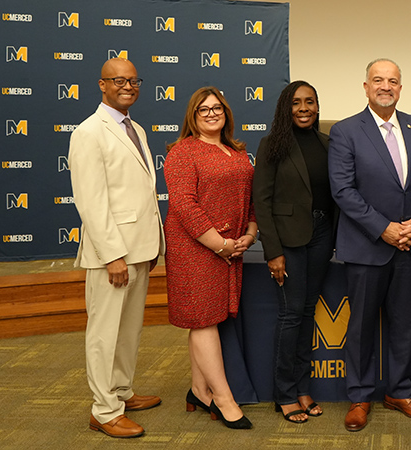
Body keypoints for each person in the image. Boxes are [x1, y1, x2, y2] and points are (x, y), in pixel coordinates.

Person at [328, 58, 411, 432]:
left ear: (401, 87)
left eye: (392, 81)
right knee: (360, 327)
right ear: (365, 87)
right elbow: (343, 191)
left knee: (405, 324)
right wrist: (384, 229)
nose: (385, 86)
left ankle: (400, 391)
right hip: (366, 247)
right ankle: (359, 396)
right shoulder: (345, 131)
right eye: (378, 80)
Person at [69, 57, 165, 438]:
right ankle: (104, 410)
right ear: (102, 84)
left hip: (139, 248)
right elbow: (90, 201)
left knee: (128, 330)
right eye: (118, 80)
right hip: (113, 254)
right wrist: (113, 255)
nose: (128, 86)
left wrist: (152, 241)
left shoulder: (135, 129)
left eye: (133, 80)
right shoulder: (89, 132)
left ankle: (121, 392)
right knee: (104, 332)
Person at [164, 86, 257, 430]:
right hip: (194, 247)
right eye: (203, 109)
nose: (212, 113)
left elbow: (250, 199)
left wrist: (250, 232)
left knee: (211, 318)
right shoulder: (182, 152)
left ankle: (198, 390)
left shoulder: (237, 152)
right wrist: (219, 244)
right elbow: (184, 206)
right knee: (202, 319)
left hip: (230, 246)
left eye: (217, 107)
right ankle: (223, 398)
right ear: (193, 115)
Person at [253, 81, 332, 423]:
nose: (303, 108)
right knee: (291, 314)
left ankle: (302, 387)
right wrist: (273, 251)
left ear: (317, 107)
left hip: (321, 236)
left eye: (309, 102)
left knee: (309, 312)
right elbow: (262, 201)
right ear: (286, 108)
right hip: (288, 241)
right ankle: (284, 393)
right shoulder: (272, 145)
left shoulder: (327, 143)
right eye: (296, 102)